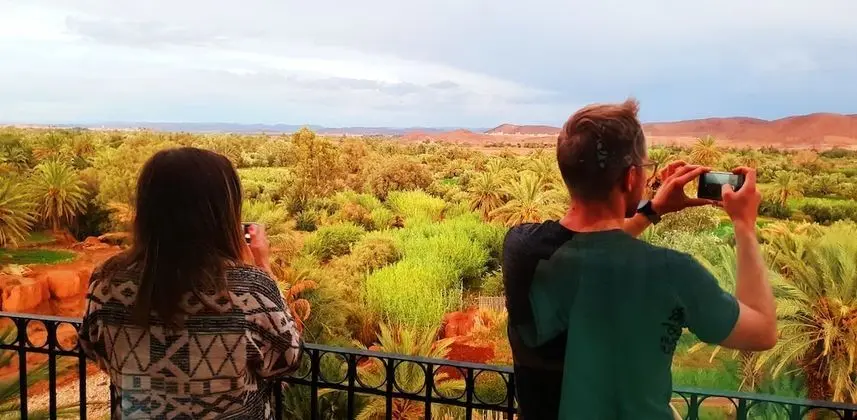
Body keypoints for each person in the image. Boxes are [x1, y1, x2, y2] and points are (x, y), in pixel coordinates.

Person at [503, 99, 776, 419]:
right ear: (631, 178)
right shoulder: (674, 273)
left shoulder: (521, 249)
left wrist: (654, 209)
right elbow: (762, 330)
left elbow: (595, 248)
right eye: (646, 168)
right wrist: (744, 226)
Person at [79, 147, 302, 419]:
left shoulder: (107, 280)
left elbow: (94, 347)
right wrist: (263, 267)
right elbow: (287, 359)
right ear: (223, 213)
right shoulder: (250, 288)